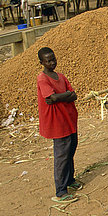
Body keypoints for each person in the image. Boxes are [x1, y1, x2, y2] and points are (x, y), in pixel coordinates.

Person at [36, 47, 81, 203]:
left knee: (70, 149)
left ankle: (70, 180)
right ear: (41, 62)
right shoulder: (42, 79)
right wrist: (66, 95)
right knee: (61, 155)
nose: (52, 62)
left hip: (69, 120)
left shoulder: (61, 76)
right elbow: (50, 98)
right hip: (57, 123)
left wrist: (62, 97)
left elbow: (73, 95)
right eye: (48, 60)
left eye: (53, 59)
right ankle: (61, 191)